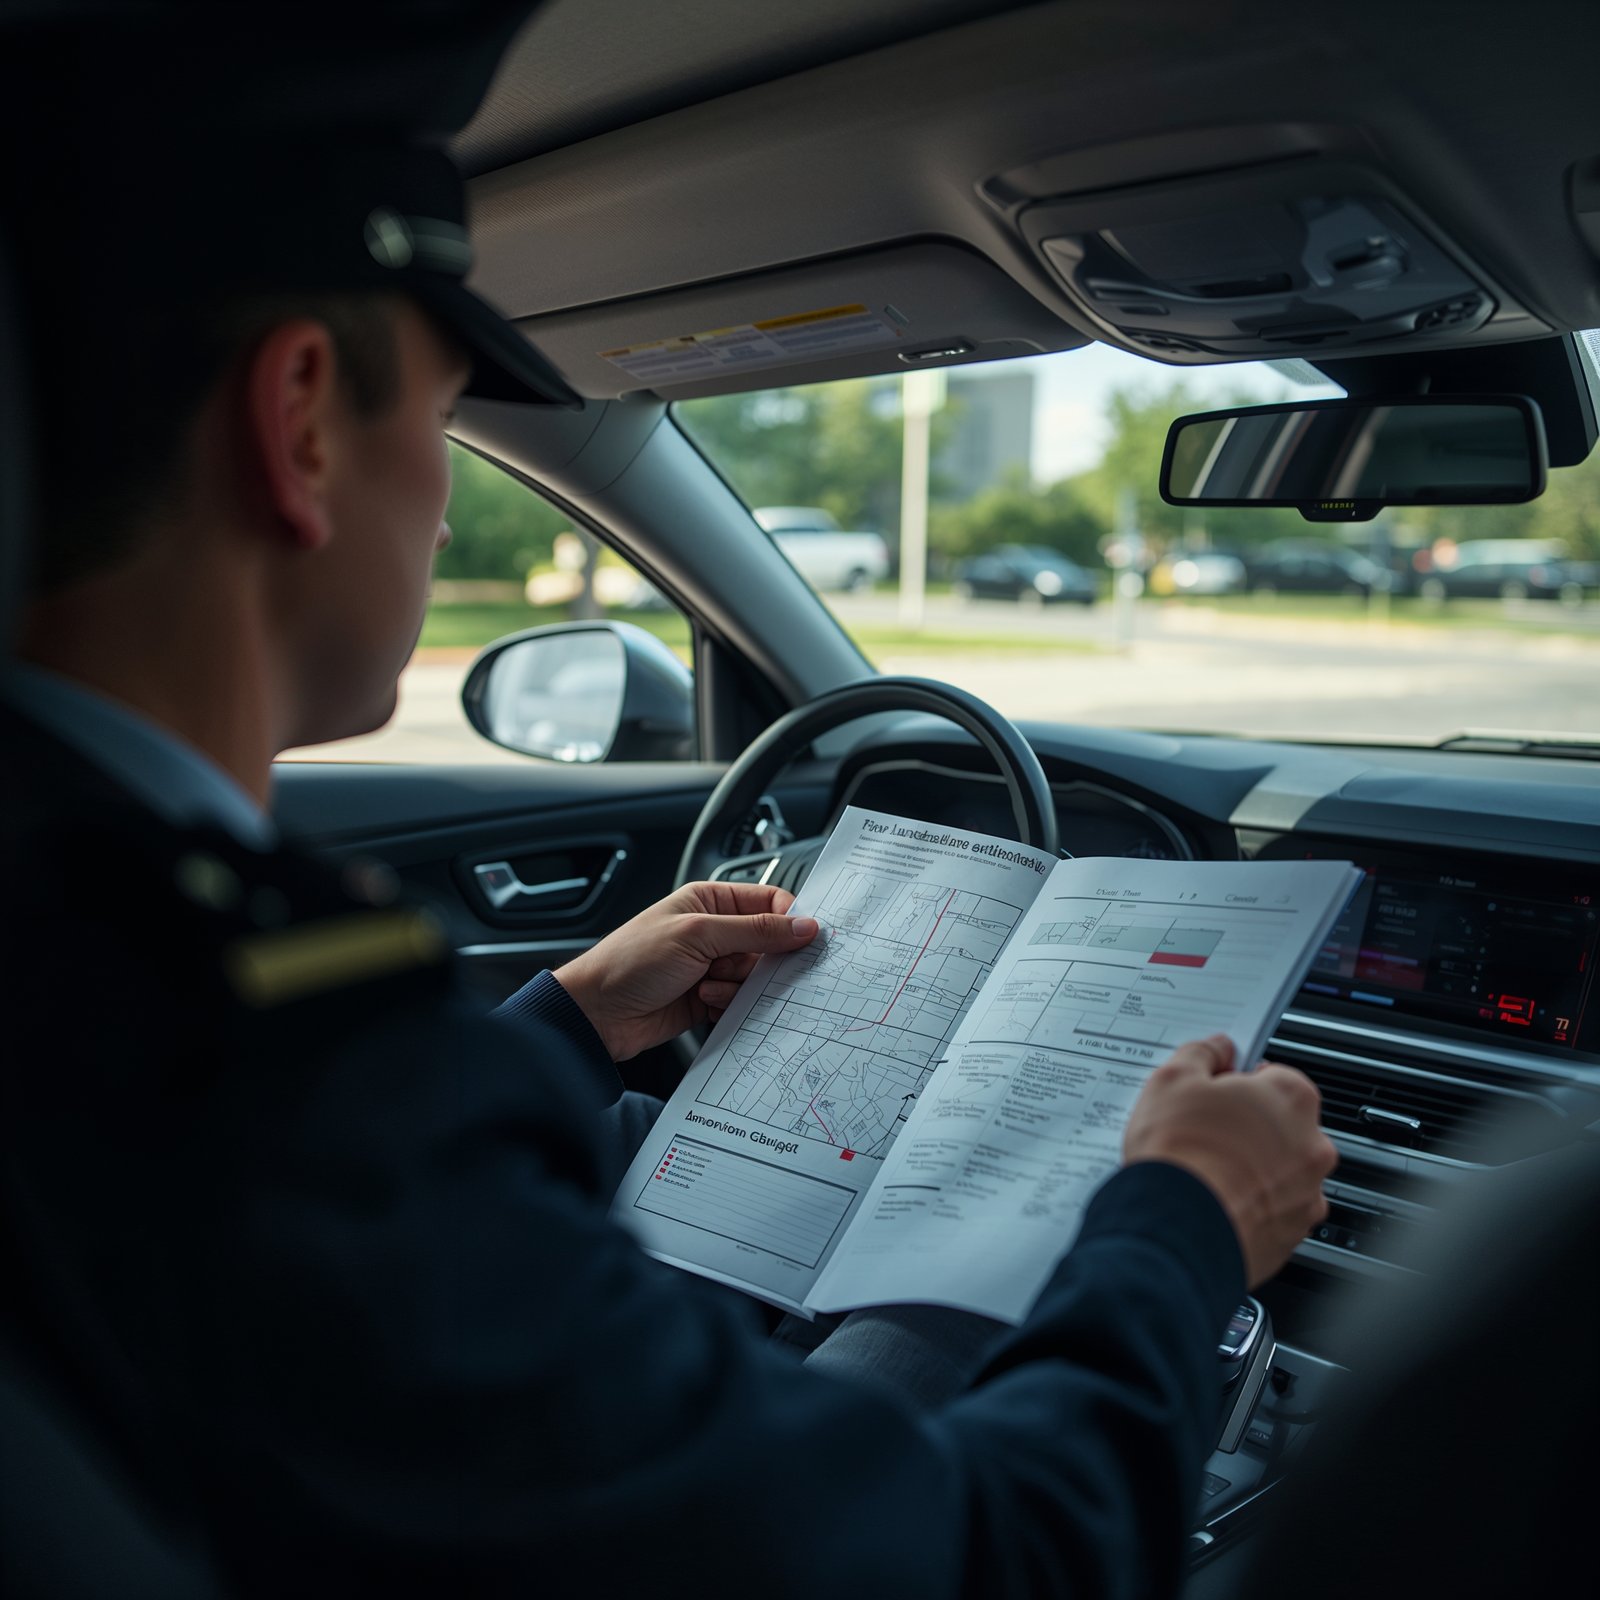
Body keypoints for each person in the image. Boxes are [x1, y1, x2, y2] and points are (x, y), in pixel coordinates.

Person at [0, 8, 1337, 1595]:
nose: (438, 512)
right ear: (297, 424)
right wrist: (1181, 1223)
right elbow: (978, 1558)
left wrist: (565, 1025)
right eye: (434, 427)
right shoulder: (244, 1069)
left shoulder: (99, 967)